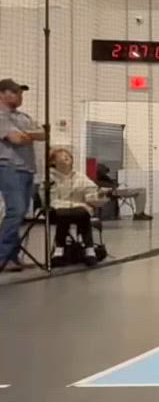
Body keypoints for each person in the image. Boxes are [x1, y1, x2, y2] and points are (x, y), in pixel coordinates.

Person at [0, 79, 45, 271]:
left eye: (20, 93)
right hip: (9, 167)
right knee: (16, 211)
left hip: (27, 169)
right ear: (2, 94)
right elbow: (16, 139)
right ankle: (2, 256)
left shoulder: (23, 117)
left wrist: (26, 135)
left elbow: (43, 134)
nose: (20, 96)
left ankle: (13, 256)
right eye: (16, 92)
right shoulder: (1, 116)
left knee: (21, 213)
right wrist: (27, 135)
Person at [45, 148, 102, 265]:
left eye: (68, 155)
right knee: (65, 213)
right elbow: (51, 200)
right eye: (61, 155)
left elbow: (90, 191)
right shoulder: (49, 178)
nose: (66, 157)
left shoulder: (80, 176)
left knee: (82, 213)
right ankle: (61, 250)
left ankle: (88, 250)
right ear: (53, 161)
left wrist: (98, 195)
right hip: (56, 211)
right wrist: (77, 205)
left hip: (79, 212)